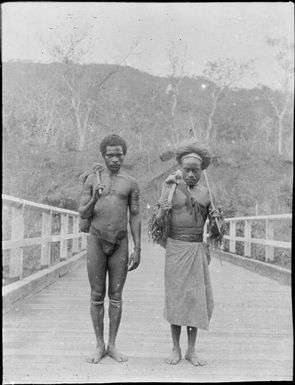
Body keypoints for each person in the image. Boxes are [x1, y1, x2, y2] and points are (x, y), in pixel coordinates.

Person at [155, 138, 219, 367]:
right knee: (175, 297)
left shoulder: (206, 194)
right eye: (187, 169)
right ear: (180, 169)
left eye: (195, 170)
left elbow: (214, 230)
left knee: (194, 299)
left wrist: (216, 222)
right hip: (175, 248)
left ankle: (191, 350)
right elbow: (159, 223)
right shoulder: (170, 188)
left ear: (202, 171)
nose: (191, 174)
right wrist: (162, 211)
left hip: (196, 248)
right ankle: (175, 348)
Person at [79, 134, 141, 364]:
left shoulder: (131, 182)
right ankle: (98, 345)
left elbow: (135, 215)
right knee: (97, 295)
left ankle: (112, 345)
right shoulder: (92, 180)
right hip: (96, 239)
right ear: (103, 156)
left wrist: (139, 248)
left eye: (119, 154)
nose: (115, 159)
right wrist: (95, 197)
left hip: (120, 242)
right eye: (110, 155)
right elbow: (83, 213)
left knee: (116, 296)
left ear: (124, 155)